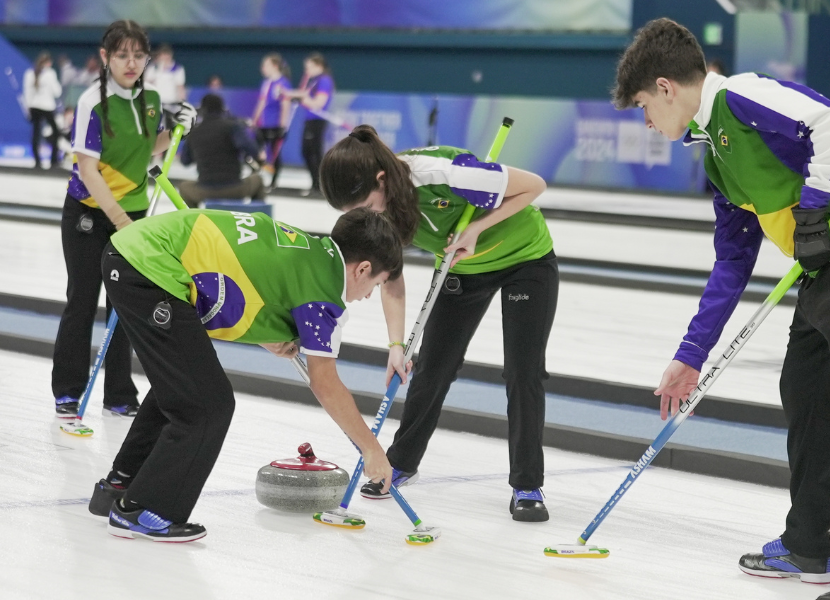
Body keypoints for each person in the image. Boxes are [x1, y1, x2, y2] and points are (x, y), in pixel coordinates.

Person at [614, 18, 830, 600]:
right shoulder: (714, 158)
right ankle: (808, 542)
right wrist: (690, 355)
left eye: (646, 109)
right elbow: (732, 263)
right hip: (829, 266)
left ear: (667, 86)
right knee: (804, 390)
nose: (649, 125)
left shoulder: (740, 94)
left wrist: (813, 208)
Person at [86, 207, 401, 542]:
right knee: (208, 405)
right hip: (148, 268)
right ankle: (144, 509)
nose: (367, 295)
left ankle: (119, 486)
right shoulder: (324, 293)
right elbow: (325, 382)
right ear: (363, 269)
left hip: (133, 254)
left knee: (184, 389)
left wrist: (264, 335)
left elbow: (245, 278)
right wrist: (372, 449)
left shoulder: (311, 252)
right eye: (375, 285)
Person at [321, 125, 557, 522]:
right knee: (432, 366)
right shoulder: (380, 208)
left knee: (523, 370)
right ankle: (401, 462)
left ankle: (527, 484)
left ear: (382, 179)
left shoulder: (445, 175)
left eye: (365, 204)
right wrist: (397, 346)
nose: (364, 216)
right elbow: (390, 278)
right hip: (461, 271)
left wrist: (476, 228)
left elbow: (534, 186)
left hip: (526, 261)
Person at [51, 20, 195, 419]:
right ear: (105, 58)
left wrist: (180, 127)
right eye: (121, 55)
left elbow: (149, 148)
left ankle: (119, 395)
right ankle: (67, 391)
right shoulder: (90, 103)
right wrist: (119, 219)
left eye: (138, 55)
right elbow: (89, 168)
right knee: (82, 301)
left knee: (125, 307)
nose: (131, 63)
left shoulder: (149, 99)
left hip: (131, 214)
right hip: (90, 213)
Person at [177, 93, 265, 207]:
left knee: (184, 187)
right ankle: (255, 220)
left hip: (205, 191)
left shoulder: (195, 132)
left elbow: (185, 161)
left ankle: (197, 220)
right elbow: (250, 149)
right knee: (258, 180)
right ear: (222, 108)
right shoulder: (232, 126)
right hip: (235, 188)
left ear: (202, 109)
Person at [282, 53, 333, 196]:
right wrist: (290, 94)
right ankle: (316, 184)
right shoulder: (314, 81)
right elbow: (303, 95)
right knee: (308, 152)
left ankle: (320, 186)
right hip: (310, 120)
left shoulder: (324, 80)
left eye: (309, 67)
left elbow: (318, 103)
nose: (307, 71)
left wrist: (303, 98)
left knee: (314, 153)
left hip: (317, 120)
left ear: (319, 66)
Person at [251, 53, 291, 190]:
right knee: (257, 150)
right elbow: (261, 102)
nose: (262, 68)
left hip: (275, 124)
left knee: (275, 153)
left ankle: (274, 182)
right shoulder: (266, 83)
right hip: (264, 124)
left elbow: (285, 105)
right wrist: (254, 120)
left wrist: (282, 125)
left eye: (266, 65)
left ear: (274, 66)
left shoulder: (283, 83)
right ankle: (256, 178)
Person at [23, 51, 64, 169]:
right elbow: (57, 92)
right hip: (47, 107)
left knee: (36, 133)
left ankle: (37, 161)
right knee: (56, 132)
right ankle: (54, 161)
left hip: (34, 107)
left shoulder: (29, 73)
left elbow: (27, 93)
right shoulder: (50, 73)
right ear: (48, 62)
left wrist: (28, 109)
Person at [145, 43, 186, 113]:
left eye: (166, 55)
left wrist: (182, 103)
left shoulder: (178, 69)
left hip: (171, 102)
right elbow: (147, 85)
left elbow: (180, 87)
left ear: (170, 55)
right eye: (162, 55)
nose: (164, 57)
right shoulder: (152, 68)